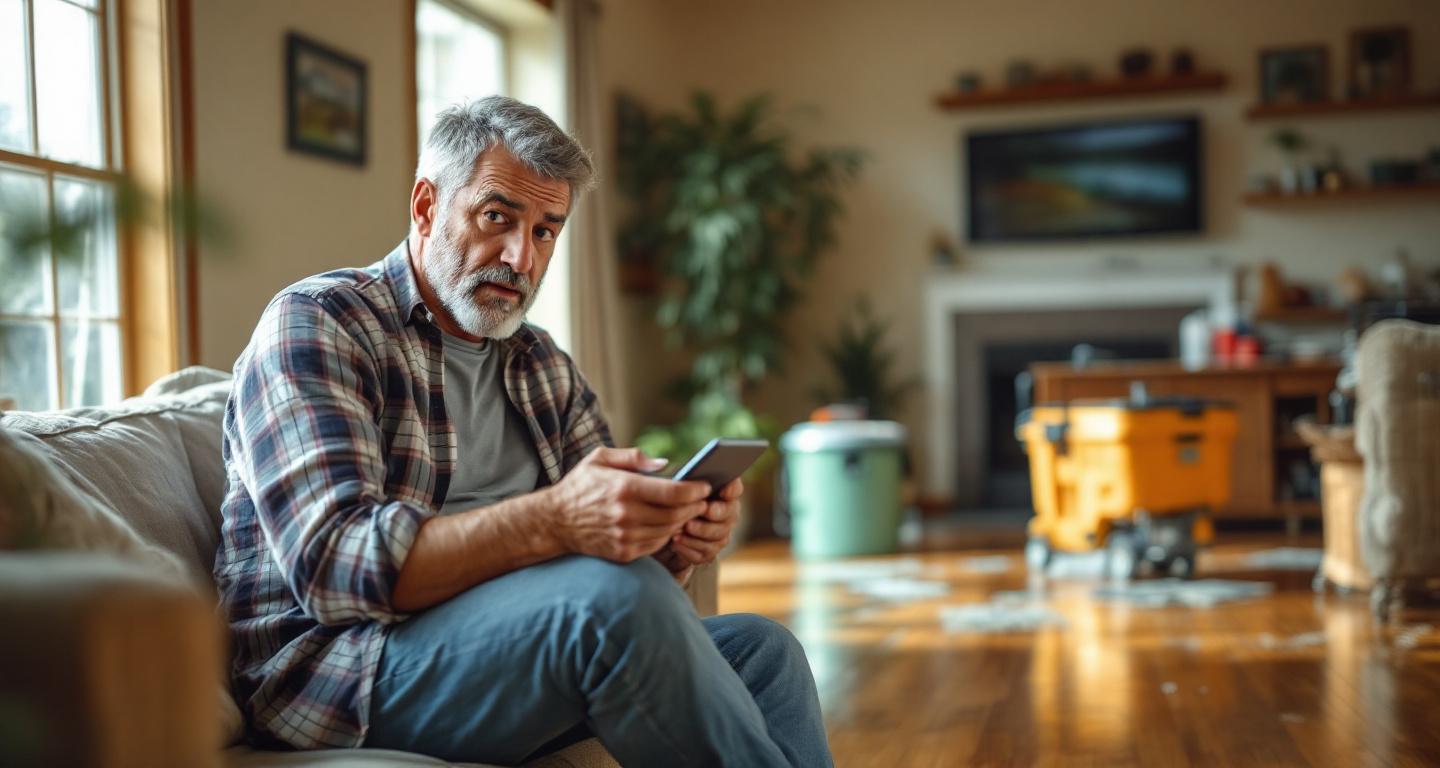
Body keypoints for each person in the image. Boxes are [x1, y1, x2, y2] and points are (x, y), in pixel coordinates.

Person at [215, 95, 832, 767]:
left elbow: (620, 564)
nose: (520, 256)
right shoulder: (320, 323)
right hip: (345, 670)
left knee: (763, 653)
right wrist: (556, 521)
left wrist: (674, 540)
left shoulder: (539, 363)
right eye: (496, 217)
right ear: (425, 206)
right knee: (608, 607)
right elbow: (334, 567)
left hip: (508, 645)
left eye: (545, 231)